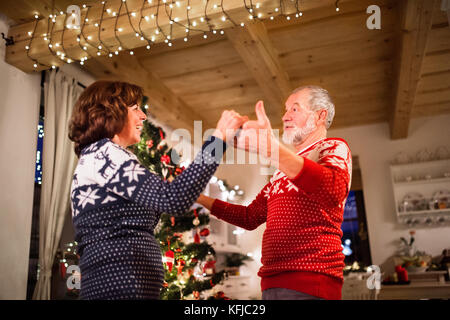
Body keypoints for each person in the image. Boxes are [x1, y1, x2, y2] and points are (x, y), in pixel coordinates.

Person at [68, 80, 247, 299]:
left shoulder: (102, 156)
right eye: (135, 109)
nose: (143, 116)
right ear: (111, 112)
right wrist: (219, 138)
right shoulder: (103, 154)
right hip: (118, 288)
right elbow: (172, 199)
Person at [197, 85, 352, 300]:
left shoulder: (333, 147)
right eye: (285, 110)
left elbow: (333, 190)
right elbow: (249, 217)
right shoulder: (282, 171)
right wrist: (200, 197)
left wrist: (271, 149)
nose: (285, 116)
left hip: (311, 282)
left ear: (320, 115)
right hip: (271, 284)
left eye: (294, 109)